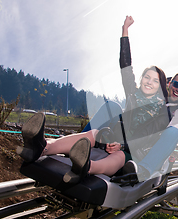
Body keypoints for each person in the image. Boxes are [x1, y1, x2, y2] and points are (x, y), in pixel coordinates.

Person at [16, 15, 168, 184]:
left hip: (134, 150)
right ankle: (43, 148)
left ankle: (85, 167)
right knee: (94, 133)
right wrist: (125, 31)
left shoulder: (162, 111)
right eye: (147, 77)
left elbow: (148, 138)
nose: (149, 82)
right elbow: (125, 65)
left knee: (118, 157)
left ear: (160, 86)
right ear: (141, 80)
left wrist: (122, 146)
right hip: (115, 137)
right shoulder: (133, 93)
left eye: (155, 81)